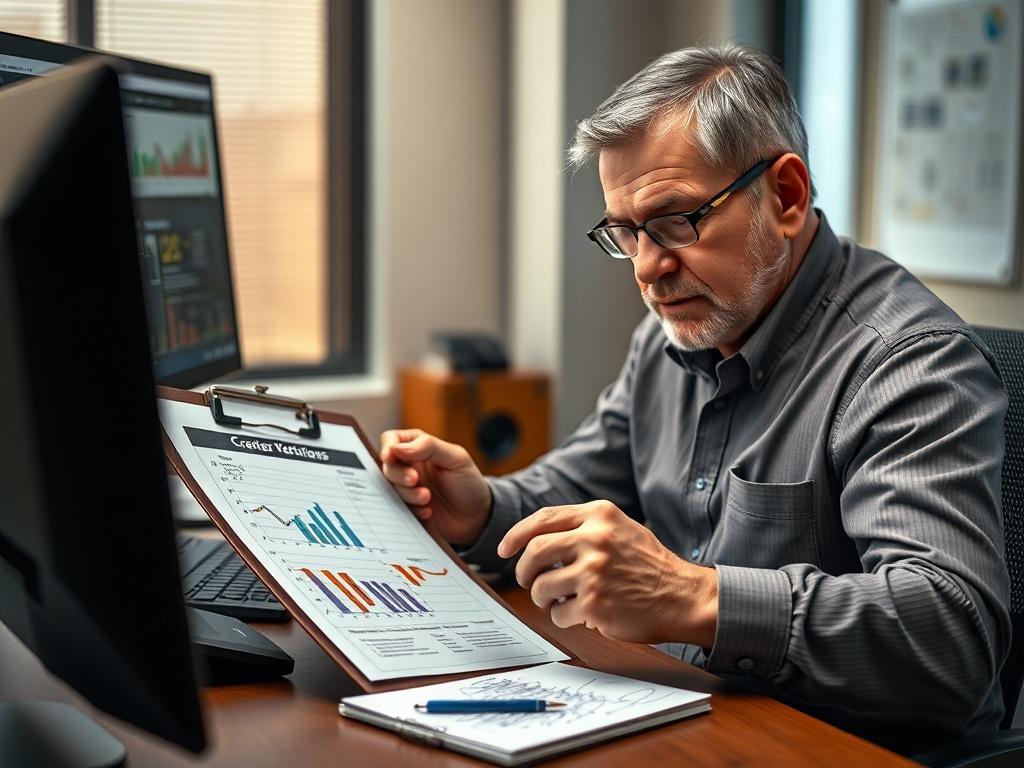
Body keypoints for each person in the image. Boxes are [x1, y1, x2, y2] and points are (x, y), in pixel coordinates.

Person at [379, 44, 1010, 755]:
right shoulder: (674, 333)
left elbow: (951, 634)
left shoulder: (908, 362)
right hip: (696, 720)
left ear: (786, 196)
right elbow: (580, 486)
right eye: (626, 233)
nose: (648, 269)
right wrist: (482, 511)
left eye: (677, 219)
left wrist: (691, 595)